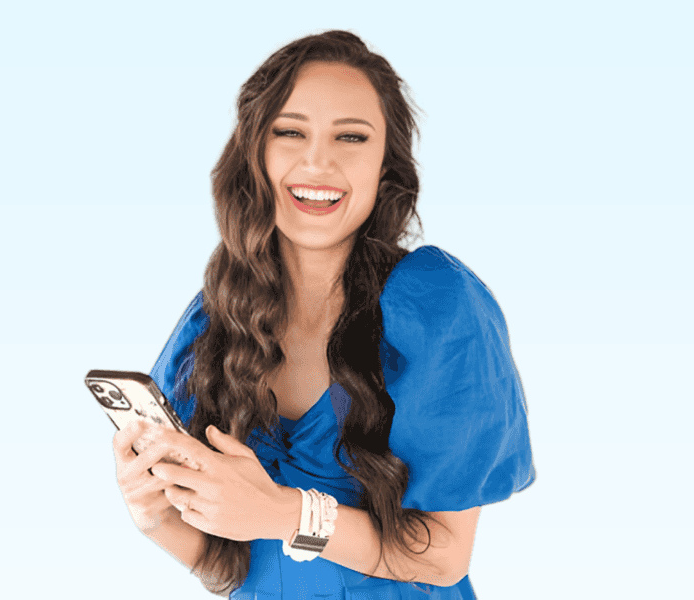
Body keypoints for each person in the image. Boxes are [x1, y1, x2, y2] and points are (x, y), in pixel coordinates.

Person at [111, 30, 535, 599]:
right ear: (255, 153)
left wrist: (288, 513)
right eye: (289, 132)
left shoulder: (435, 305)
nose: (318, 162)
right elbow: (228, 570)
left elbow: (444, 555)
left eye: (351, 137)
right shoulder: (216, 316)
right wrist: (155, 517)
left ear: (386, 162)